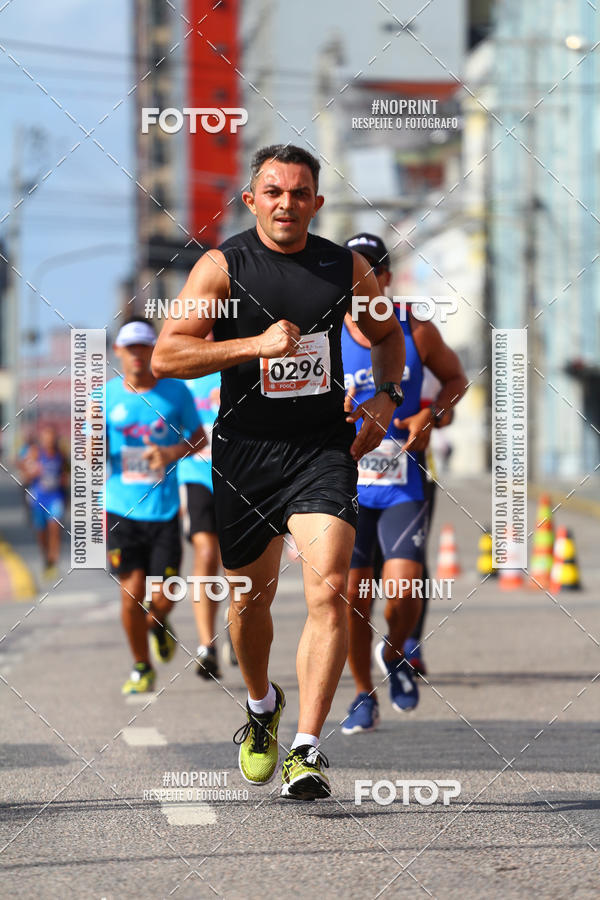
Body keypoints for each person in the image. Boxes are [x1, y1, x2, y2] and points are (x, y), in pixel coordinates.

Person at [152, 144, 406, 800]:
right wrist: (252, 345)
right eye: (274, 192)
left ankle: (307, 748)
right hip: (244, 455)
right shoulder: (222, 267)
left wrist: (385, 397)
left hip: (322, 450)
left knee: (330, 593)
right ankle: (263, 705)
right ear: (252, 199)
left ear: (316, 203)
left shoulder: (342, 266)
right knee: (250, 600)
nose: (287, 203)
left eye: (299, 193)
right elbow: (167, 355)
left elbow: (388, 336)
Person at [340, 233, 467, 733]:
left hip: (401, 482)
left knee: (402, 589)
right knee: (352, 595)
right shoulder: (325, 334)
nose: (360, 282)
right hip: (342, 485)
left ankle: (394, 653)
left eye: (370, 271)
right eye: (352, 272)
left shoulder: (416, 329)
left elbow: (455, 379)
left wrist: (430, 415)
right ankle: (359, 693)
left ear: (386, 279)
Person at [106, 317, 206, 694]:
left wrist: (170, 452)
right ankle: (141, 666)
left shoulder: (176, 392)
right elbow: (86, 453)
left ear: (154, 350)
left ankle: (158, 622)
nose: (137, 356)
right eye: (130, 349)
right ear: (118, 352)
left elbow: (198, 439)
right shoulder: (104, 397)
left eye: (144, 348)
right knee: (131, 592)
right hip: (121, 509)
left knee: (165, 595)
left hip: (164, 509)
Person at [177, 370, 226, 679]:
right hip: (195, 475)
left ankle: (241, 629)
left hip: (238, 474)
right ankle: (207, 645)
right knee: (206, 554)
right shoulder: (178, 372)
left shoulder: (239, 352)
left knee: (237, 563)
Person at [19, 425, 67, 580]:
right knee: (41, 533)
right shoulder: (35, 453)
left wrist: (64, 485)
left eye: (51, 437)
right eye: (46, 437)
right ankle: (46, 557)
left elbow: (65, 474)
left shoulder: (60, 455)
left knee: (55, 527)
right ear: (42, 439)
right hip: (39, 499)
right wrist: (32, 472)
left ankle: (53, 559)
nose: (49, 440)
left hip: (55, 497)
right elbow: (24, 472)